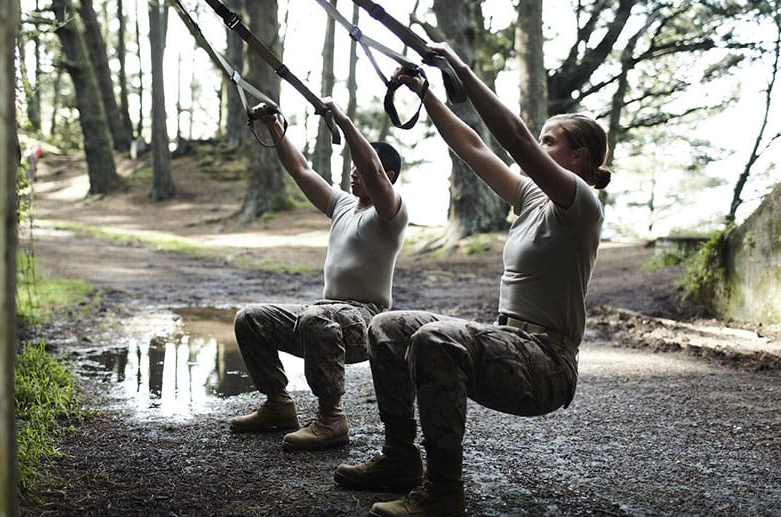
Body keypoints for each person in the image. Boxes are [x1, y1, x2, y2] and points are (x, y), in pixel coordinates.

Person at [333, 43, 612, 517]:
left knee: (436, 339)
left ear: (579, 157)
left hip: (547, 365)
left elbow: (516, 139)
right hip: (511, 343)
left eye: (551, 141)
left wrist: (459, 67)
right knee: (388, 326)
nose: (538, 147)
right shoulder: (532, 199)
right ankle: (401, 457)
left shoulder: (581, 204)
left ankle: (444, 491)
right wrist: (428, 95)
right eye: (543, 139)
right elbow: (473, 146)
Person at [230, 99, 410, 452]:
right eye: (353, 166)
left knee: (317, 317)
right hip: (325, 312)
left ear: (387, 176)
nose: (354, 171)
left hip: (366, 322)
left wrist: (341, 120)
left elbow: (372, 170)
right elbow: (301, 170)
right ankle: (279, 405)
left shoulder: (392, 214)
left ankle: (331, 418)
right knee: (250, 318)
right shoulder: (343, 204)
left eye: (360, 165)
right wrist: (273, 127)